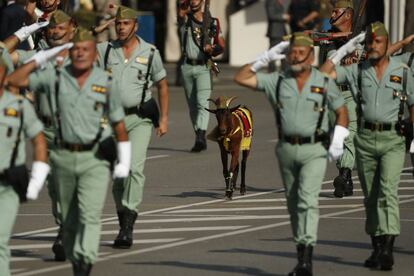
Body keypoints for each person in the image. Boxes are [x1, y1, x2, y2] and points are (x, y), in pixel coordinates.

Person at [7, 28, 131, 275]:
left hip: (94, 159)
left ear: (94, 52)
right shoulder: (55, 77)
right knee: (70, 219)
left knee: (90, 215)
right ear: (68, 51)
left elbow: (119, 125)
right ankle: (77, 257)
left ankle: (84, 263)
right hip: (63, 157)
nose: (81, 53)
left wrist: (123, 163)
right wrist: (42, 58)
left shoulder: (105, 83)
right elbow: (15, 80)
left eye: (86, 49)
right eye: (76, 49)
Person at [234, 32, 349, 276]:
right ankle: (301, 252)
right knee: (294, 203)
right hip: (286, 149)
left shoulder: (324, 81)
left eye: (300, 51)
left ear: (311, 56)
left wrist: (338, 139)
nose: (295, 55)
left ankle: (306, 258)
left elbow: (341, 111)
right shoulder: (278, 80)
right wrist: (264, 58)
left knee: (308, 200)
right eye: (292, 51)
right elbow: (241, 77)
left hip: (314, 150)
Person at [320, 22, 414, 271]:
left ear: (386, 44)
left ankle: (388, 249)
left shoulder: (402, 71)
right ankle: (376, 245)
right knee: (372, 196)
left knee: (388, 192)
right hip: (365, 140)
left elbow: (413, 102)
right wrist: (341, 52)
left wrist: (411, 127)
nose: (373, 46)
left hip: (393, 140)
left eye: (378, 42)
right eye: (369, 42)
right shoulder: (357, 71)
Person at [96, 5, 169, 249]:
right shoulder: (105, 51)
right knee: (119, 173)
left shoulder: (150, 52)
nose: (120, 28)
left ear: (135, 26)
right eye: (117, 24)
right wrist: (99, 29)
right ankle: (122, 217)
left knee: (134, 169)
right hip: (112, 120)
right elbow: (75, 44)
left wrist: (165, 118)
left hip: (139, 119)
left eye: (125, 24)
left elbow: (162, 85)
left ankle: (128, 226)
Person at [5, 10, 75, 262]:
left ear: (73, 28)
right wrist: (27, 30)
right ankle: (64, 227)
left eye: (60, 28)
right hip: (45, 129)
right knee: (55, 185)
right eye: (51, 29)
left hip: (73, 131)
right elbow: (2, 51)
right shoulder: (36, 56)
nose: (55, 32)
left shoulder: (85, 55)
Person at [0, 56, 49, 276]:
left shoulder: (19, 106)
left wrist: (36, 180)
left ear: (5, 74)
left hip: (7, 185)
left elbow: (38, 141)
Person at [177, 0, 225, 152]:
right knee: (192, 106)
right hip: (186, 66)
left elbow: (221, 45)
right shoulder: (185, 18)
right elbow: (180, 17)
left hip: (204, 66)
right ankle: (199, 134)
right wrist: (183, 10)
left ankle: (201, 135)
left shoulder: (213, 22)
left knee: (201, 102)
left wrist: (212, 49)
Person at [265, 0, 290, 72]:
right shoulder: (271, 2)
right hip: (275, 32)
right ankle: (271, 71)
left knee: (284, 50)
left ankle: (285, 70)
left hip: (281, 32)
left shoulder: (278, 3)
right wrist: (283, 16)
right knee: (273, 51)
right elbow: (271, 15)